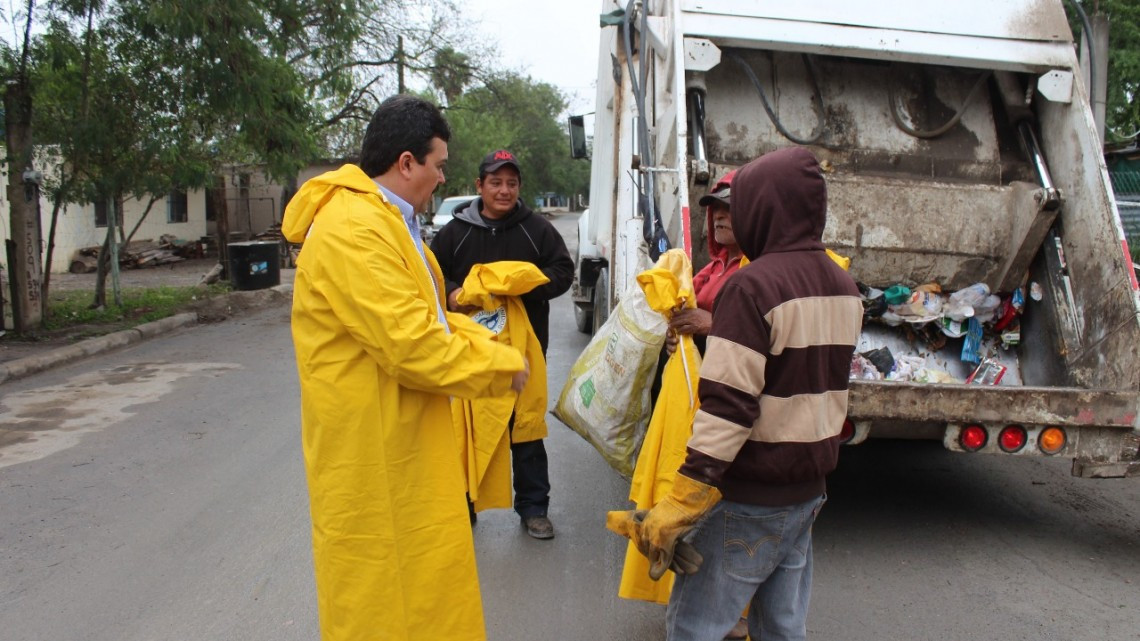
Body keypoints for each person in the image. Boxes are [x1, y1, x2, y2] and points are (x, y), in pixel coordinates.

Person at [282, 95, 528, 641]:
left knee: (419, 589)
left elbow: (432, 318)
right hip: (372, 450)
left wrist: (487, 349)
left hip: (403, 438)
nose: (442, 178)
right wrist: (497, 369)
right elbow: (410, 343)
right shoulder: (354, 228)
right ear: (407, 162)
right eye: (439, 165)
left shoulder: (390, 222)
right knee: (378, 597)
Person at [608, 147, 863, 641]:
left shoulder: (749, 288)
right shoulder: (842, 284)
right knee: (781, 626)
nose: (733, 217)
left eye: (741, 205)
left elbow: (729, 405)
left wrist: (685, 497)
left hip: (749, 494)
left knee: (696, 626)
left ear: (767, 209)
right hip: (809, 492)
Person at [430, 149, 574, 539]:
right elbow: (432, 278)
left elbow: (563, 270)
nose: (504, 190)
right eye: (495, 182)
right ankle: (465, 501)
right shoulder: (455, 234)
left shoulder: (537, 229)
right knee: (466, 428)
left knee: (524, 428)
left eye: (511, 183)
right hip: (469, 356)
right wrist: (456, 295)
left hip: (523, 354)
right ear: (479, 186)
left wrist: (525, 284)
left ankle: (533, 509)